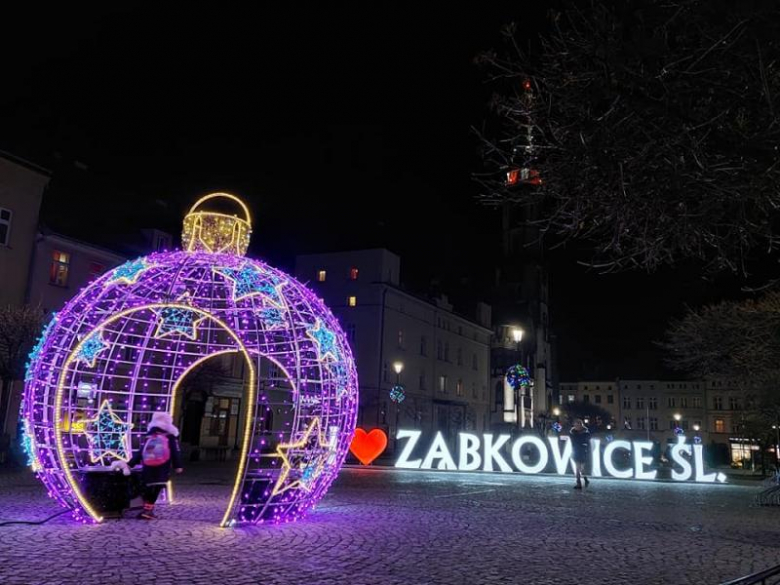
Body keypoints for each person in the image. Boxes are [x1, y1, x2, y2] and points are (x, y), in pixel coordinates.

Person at [127, 412, 183, 519]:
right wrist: (178, 466)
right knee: (157, 488)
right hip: (162, 467)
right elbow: (175, 452)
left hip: (148, 466)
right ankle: (148, 510)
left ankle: (146, 509)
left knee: (148, 487)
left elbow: (141, 451)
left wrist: (131, 463)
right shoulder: (170, 435)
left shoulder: (149, 435)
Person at [569, 418, 590, 489]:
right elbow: (572, 442)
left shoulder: (585, 432)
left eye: (578, 424)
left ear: (581, 425)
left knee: (581, 469)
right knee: (578, 468)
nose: (577, 425)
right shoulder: (572, 432)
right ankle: (579, 483)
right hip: (576, 450)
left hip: (582, 451)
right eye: (576, 424)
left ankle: (584, 480)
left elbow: (587, 442)